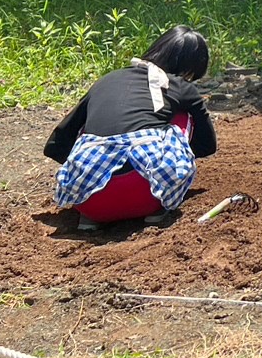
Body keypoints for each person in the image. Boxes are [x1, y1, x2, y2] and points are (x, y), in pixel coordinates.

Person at [45, 25, 217, 227]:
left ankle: (91, 211)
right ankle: (162, 193)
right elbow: (207, 145)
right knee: (181, 116)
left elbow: (55, 144)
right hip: (147, 194)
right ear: (189, 68)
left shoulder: (105, 81)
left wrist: (94, 170)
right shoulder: (179, 86)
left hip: (87, 201)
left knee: (87, 130)